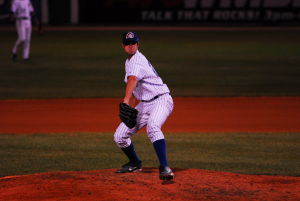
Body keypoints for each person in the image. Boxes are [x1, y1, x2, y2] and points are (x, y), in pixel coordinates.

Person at [114, 31, 175, 180]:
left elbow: (133, 79)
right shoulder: (128, 62)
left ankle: (165, 167)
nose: (131, 46)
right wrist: (132, 108)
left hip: (161, 100)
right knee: (120, 136)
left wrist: (126, 100)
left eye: (133, 43)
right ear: (123, 46)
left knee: (153, 126)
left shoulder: (137, 60)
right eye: (128, 44)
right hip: (145, 104)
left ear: (137, 44)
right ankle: (135, 162)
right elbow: (136, 89)